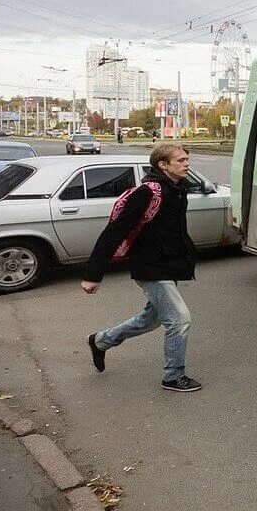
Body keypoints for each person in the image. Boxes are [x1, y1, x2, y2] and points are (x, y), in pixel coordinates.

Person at [82, 144, 201, 393]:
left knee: (152, 318)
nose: (187, 163)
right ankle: (173, 376)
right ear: (163, 165)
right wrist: (93, 275)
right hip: (150, 267)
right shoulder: (147, 193)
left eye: (187, 159)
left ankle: (101, 341)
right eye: (181, 160)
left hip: (169, 264)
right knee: (179, 320)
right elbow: (114, 231)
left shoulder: (180, 188)